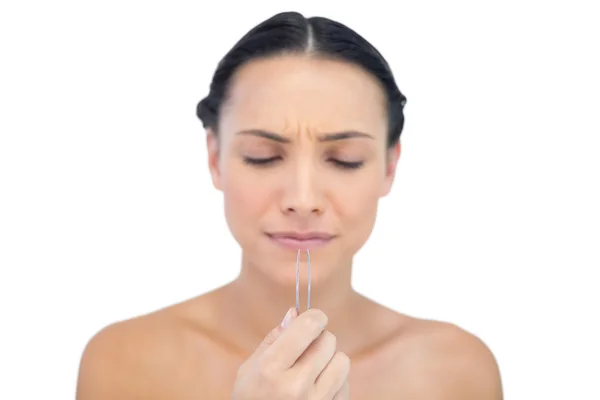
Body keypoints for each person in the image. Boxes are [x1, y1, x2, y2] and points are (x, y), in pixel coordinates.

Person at [76, 11, 503, 399]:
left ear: (390, 166)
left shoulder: (457, 373)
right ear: (215, 158)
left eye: (344, 160)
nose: (303, 200)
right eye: (263, 156)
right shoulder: (123, 365)